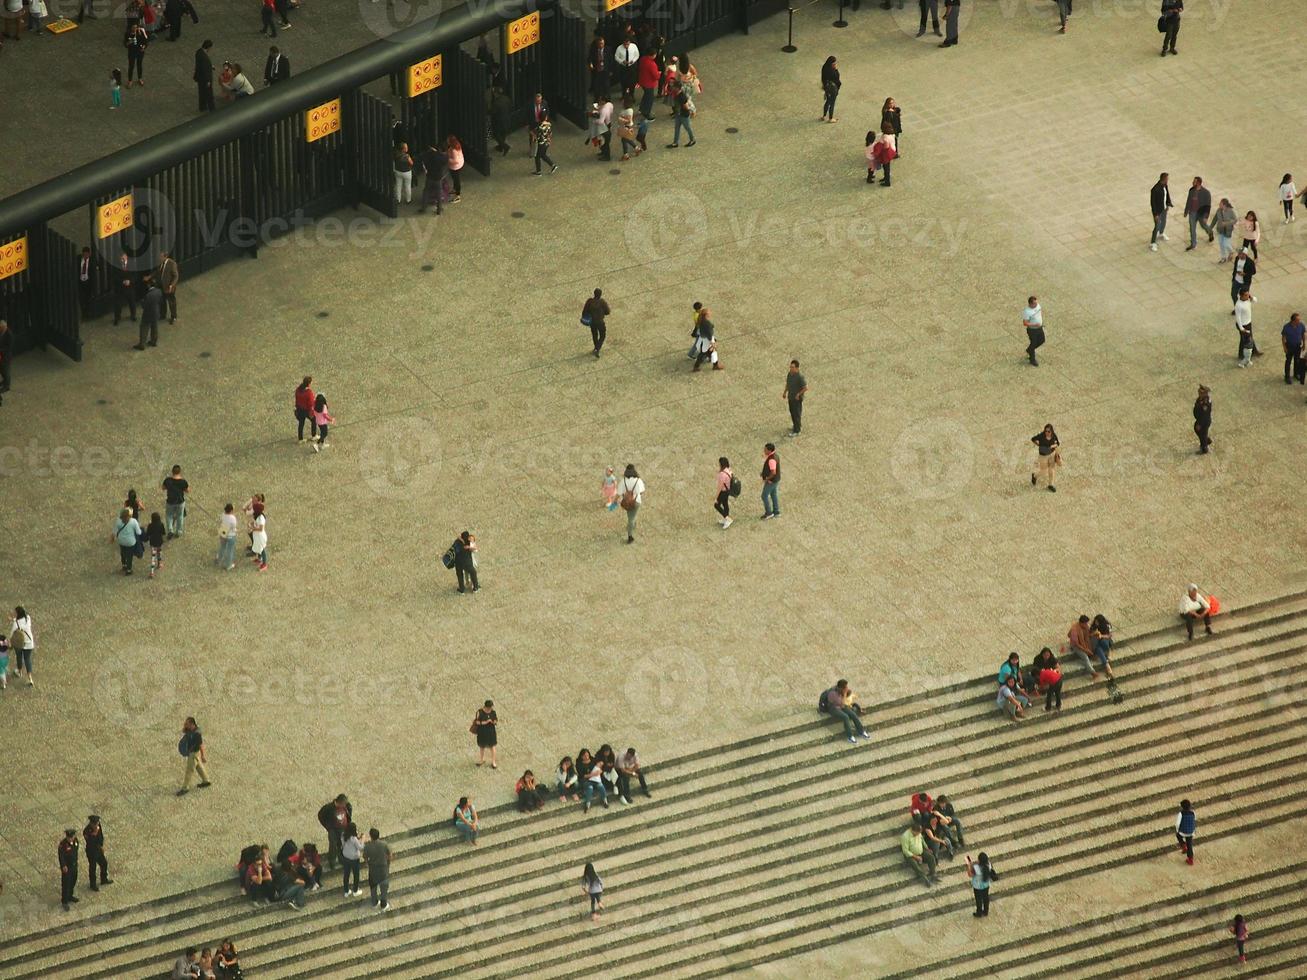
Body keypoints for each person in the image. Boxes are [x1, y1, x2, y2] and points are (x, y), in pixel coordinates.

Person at [827, 679, 871, 744]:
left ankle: (861, 731)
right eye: (846, 687)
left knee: (853, 714)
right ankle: (850, 736)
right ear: (841, 688)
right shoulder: (833, 693)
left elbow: (844, 702)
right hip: (833, 708)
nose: (847, 688)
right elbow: (842, 703)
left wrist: (847, 693)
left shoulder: (842, 690)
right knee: (845, 717)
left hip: (841, 706)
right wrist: (844, 694)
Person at [177, 716, 211, 795]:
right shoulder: (190, 730)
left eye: (187, 724)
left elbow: (201, 745)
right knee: (199, 766)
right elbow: (185, 733)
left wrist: (203, 755)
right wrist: (185, 728)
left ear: (192, 724)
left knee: (189, 770)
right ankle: (206, 780)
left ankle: (185, 788)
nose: (186, 725)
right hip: (192, 753)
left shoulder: (197, 734)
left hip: (193, 753)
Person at [317, 794, 352, 869]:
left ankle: (342, 859)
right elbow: (321, 815)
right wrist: (327, 826)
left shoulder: (346, 806)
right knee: (333, 845)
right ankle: (332, 861)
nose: (344, 805)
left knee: (342, 844)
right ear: (339, 802)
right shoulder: (329, 808)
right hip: (333, 829)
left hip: (342, 828)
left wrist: (348, 824)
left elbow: (349, 813)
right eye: (343, 804)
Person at [363, 827, 392, 908]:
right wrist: (388, 864)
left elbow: (365, 857)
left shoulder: (368, 846)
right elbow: (390, 855)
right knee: (384, 889)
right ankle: (384, 905)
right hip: (383, 870)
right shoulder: (384, 844)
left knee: (373, 888)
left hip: (373, 870)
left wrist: (367, 864)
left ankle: (374, 902)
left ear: (371, 836)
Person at [1183, 177, 1213, 251]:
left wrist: (1206, 217)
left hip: (1201, 214)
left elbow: (1208, 206)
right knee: (1192, 229)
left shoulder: (1206, 193)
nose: (1192, 182)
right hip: (1192, 213)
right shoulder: (1191, 190)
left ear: (1199, 183)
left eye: (1194, 182)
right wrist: (1186, 211)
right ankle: (1193, 244)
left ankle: (1210, 232)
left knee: (1204, 226)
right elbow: (1188, 201)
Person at [135, 274, 163, 350]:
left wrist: (141, 301)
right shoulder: (159, 291)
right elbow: (160, 301)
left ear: (149, 285)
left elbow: (144, 306)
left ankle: (142, 344)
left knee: (144, 328)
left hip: (148, 314)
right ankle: (154, 341)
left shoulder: (148, 295)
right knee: (154, 327)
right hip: (156, 312)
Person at [618, 464, 645, 544]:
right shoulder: (638, 480)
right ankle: (630, 533)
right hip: (636, 501)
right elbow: (642, 491)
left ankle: (631, 532)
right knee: (632, 518)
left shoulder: (623, 481)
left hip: (627, 502)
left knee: (630, 517)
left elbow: (619, 493)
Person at [113, 506, 143, 575]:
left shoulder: (118, 520)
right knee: (129, 556)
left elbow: (115, 531)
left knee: (123, 553)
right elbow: (139, 532)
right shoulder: (133, 521)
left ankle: (124, 565)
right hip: (130, 542)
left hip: (121, 541)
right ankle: (129, 570)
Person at [84, 816, 111, 891]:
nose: (97, 825)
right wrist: (94, 833)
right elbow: (90, 842)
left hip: (98, 849)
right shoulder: (86, 831)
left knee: (104, 863)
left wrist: (101, 845)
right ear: (91, 824)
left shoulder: (99, 826)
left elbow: (101, 836)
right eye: (95, 824)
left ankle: (104, 879)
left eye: (97, 823)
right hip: (91, 851)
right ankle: (93, 884)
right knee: (93, 867)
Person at [1030, 424, 1059, 492]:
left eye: (1049, 431)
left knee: (1051, 470)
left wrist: (1052, 447)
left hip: (1051, 454)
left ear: (1051, 431)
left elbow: (1057, 443)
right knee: (1043, 471)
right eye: (1046, 431)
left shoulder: (1054, 435)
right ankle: (1035, 476)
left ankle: (1050, 485)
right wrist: (1039, 444)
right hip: (1043, 456)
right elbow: (1033, 439)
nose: (1047, 433)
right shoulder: (1041, 436)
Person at [162, 464, 189, 538]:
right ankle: (179, 531)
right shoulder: (183, 481)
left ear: (172, 472)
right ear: (179, 472)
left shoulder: (168, 480)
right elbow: (187, 490)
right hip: (180, 501)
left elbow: (163, 488)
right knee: (180, 516)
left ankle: (170, 530)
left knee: (169, 515)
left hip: (170, 501)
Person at [9, 607, 34, 686]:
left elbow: (12, 634)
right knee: (27, 660)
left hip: (19, 643)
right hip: (29, 643)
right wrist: (13, 620)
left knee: (19, 657)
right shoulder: (28, 618)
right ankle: (30, 678)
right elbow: (22, 624)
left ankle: (19, 672)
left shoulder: (16, 624)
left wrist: (10, 643)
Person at [582, 288, 610, 358]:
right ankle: (597, 348)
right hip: (600, 322)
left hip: (592, 322)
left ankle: (596, 347)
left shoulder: (589, 301)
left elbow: (584, 311)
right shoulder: (602, 302)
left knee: (594, 335)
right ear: (600, 295)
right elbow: (607, 311)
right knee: (602, 335)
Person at [667, 83, 696, 148]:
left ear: (677, 88)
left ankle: (692, 139)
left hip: (683, 115)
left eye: (674, 87)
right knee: (677, 128)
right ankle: (675, 142)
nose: (673, 88)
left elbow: (686, 106)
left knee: (688, 128)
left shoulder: (682, 96)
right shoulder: (677, 94)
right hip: (678, 114)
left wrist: (691, 110)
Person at [1034, 647, 1063, 711]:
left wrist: (1038, 689)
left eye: (1048, 655)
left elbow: (1043, 685)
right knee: (1057, 692)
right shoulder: (1038, 660)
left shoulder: (1042, 674)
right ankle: (1058, 705)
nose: (1046, 656)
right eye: (1045, 655)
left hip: (1054, 681)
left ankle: (1048, 707)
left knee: (1049, 694)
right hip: (1059, 679)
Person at [784, 360, 808, 435]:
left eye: (792, 367)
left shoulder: (800, 377)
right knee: (792, 412)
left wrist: (798, 394)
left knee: (796, 413)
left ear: (797, 368)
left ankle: (797, 431)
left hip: (797, 399)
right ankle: (796, 426)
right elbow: (788, 384)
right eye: (790, 367)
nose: (791, 368)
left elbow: (805, 387)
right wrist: (785, 392)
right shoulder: (789, 374)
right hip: (790, 397)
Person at [1230, 247, 1256, 316]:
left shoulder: (1250, 262)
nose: (1239, 255)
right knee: (1233, 294)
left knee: (1244, 298)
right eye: (1238, 253)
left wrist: (1245, 274)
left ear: (1245, 254)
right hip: (1236, 280)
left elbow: (1253, 272)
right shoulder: (1237, 258)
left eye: (1240, 254)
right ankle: (1237, 308)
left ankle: (1244, 310)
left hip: (1245, 282)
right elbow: (1235, 268)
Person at [112, 252, 136, 325]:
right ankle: (117, 318)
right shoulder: (116, 265)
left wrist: (130, 281)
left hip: (130, 287)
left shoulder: (132, 265)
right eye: (121, 258)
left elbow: (135, 275)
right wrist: (122, 281)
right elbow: (114, 276)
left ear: (126, 257)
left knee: (132, 302)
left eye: (123, 258)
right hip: (120, 287)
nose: (122, 259)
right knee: (118, 304)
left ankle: (133, 315)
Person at [1149, 172, 1172, 251]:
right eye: (1167, 179)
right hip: (1158, 211)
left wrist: (1168, 204)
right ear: (1164, 179)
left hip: (1164, 209)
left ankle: (1161, 233)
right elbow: (1153, 203)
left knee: (1164, 222)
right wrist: (1155, 214)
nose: (1168, 180)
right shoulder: (1155, 189)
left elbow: (1167, 195)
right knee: (1157, 226)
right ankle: (1153, 242)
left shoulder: (1165, 186)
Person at [472, 699, 498, 767]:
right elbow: (477, 722)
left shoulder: (493, 712)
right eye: (490, 707)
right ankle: (482, 759)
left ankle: (493, 762)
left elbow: (495, 720)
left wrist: (493, 722)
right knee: (482, 746)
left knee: (492, 746)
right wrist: (485, 722)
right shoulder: (479, 712)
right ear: (486, 707)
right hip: (482, 731)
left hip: (491, 731)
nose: (491, 708)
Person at [59, 829, 80, 911]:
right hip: (67, 868)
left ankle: (70, 896)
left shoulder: (76, 841)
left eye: (72, 837)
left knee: (73, 881)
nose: (70, 838)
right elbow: (61, 856)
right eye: (69, 837)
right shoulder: (63, 844)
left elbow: (75, 851)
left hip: (74, 865)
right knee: (66, 884)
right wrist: (63, 865)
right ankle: (64, 901)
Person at [713, 457, 736, 529]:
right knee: (725, 504)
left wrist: (716, 497)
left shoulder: (722, 474)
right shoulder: (728, 470)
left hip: (723, 492)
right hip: (727, 491)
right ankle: (726, 519)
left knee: (716, 505)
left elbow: (720, 487)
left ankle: (727, 519)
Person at [1090, 614, 1115, 679]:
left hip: (1106, 641)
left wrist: (1102, 636)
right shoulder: (1094, 625)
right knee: (1098, 648)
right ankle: (1107, 666)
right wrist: (1094, 633)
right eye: (1095, 621)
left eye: (1097, 622)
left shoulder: (1107, 625)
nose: (1096, 623)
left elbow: (1110, 635)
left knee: (1103, 642)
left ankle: (1107, 652)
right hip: (1097, 642)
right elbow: (1090, 634)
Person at [1212, 199, 1237, 263]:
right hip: (1220, 230)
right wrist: (1210, 227)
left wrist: (1226, 223)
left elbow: (1235, 220)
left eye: (1220, 204)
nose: (1219, 205)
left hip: (1228, 230)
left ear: (1224, 205)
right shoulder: (1218, 210)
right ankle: (1223, 257)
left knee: (1226, 244)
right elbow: (1215, 219)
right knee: (1221, 244)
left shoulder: (1230, 211)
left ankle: (1231, 251)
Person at [1283, 313, 1306, 385]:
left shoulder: (1301, 325)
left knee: (1297, 361)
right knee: (1288, 361)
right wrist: (1284, 347)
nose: (1299, 321)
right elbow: (1283, 337)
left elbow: (1303, 334)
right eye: (1297, 320)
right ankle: (1287, 377)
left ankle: (1296, 374)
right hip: (1289, 347)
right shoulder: (1286, 327)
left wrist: (1304, 344)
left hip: (1297, 346)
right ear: (1293, 321)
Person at [125, 22, 149, 87]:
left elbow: (146, 41)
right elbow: (125, 44)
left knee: (139, 65)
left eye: (136, 27)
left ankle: (140, 78)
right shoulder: (128, 34)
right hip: (132, 52)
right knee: (131, 66)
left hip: (140, 52)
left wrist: (144, 47)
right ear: (131, 28)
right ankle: (130, 80)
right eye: (134, 28)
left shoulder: (141, 32)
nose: (135, 29)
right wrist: (129, 42)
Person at [760, 443, 780, 519]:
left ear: (769, 450)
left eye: (765, 449)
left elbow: (773, 472)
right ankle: (776, 511)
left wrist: (767, 478)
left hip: (771, 481)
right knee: (773, 495)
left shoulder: (771, 459)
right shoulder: (775, 456)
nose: (764, 451)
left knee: (764, 496)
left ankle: (769, 513)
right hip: (776, 480)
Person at [1022, 296, 1044, 366]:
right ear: (1030, 304)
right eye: (1034, 303)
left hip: (1039, 327)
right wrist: (1034, 324)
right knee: (1033, 343)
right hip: (1032, 330)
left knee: (1042, 340)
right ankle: (1032, 359)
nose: (1036, 304)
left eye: (1036, 302)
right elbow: (1025, 323)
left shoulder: (1037, 306)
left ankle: (1030, 350)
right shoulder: (1027, 311)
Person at [194, 39, 215, 112]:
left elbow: (200, 66)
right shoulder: (205, 58)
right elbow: (205, 70)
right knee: (209, 94)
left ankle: (202, 107)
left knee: (201, 92)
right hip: (205, 79)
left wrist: (210, 66)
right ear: (208, 47)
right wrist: (208, 81)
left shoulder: (198, 52)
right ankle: (212, 108)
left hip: (199, 77)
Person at [158, 251, 179, 324]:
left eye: (161, 257)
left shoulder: (172, 264)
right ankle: (162, 314)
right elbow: (159, 271)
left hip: (169, 288)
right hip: (162, 286)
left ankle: (174, 317)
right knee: (162, 301)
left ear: (165, 256)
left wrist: (171, 285)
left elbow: (176, 276)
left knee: (171, 303)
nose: (159, 258)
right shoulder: (161, 263)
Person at [1234, 290, 1254, 368]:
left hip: (1248, 323)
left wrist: (1251, 297)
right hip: (1244, 325)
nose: (1247, 296)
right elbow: (1238, 317)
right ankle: (1244, 359)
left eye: (1248, 294)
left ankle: (1245, 356)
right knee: (1247, 341)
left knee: (1246, 340)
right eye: (1246, 295)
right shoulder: (1238, 305)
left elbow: (1255, 300)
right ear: (1241, 296)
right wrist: (1241, 328)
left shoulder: (1248, 300)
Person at [294, 376, 316, 442]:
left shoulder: (298, 389)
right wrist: (312, 412)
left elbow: (297, 399)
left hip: (299, 409)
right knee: (314, 420)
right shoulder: (309, 392)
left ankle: (300, 439)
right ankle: (313, 435)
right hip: (306, 410)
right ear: (309, 384)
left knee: (301, 423)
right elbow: (311, 403)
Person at [144, 512, 166, 578]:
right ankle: (159, 564)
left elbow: (148, 534)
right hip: (159, 542)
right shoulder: (161, 524)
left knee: (153, 557)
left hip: (153, 542)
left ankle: (152, 572)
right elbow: (163, 532)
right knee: (159, 553)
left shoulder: (150, 525)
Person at [1193, 385, 1212, 454]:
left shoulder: (1205, 403)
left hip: (1204, 422)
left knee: (1201, 433)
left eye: (1201, 392)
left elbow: (1204, 415)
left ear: (1205, 393)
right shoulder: (1201, 398)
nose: (1199, 393)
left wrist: (1200, 424)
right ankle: (1206, 440)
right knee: (1200, 432)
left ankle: (1204, 448)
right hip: (1200, 420)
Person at [1175, 799, 1196, 864]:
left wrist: (1177, 830)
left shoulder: (1181, 813)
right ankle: (1190, 859)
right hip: (1191, 831)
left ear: (1182, 807)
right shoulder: (1193, 813)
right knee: (1189, 845)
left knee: (1178, 835)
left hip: (1183, 831)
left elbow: (1177, 824)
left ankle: (1183, 845)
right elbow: (1194, 820)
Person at [820, 56, 840, 123]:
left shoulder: (824, 67)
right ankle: (831, 118)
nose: (835, 65)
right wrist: (836, 69)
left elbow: (823, 78)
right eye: (834, 64)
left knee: (828, 101)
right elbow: (837, 78)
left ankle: (824, 116)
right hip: (833, 89)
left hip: (827, 88)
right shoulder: (832, 71)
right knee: (832, 103)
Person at [250, 501, 268, 571]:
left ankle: (264, 564)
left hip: (260, 536)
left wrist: (252, 528)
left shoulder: (261, 518)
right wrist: (252, 524)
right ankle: (259, 559)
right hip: (257, 536)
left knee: (262, 549)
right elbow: (256, 523)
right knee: (258, 547)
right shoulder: (257, 516)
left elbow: (261, 529)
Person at [446, 136, 465, 202]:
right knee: (455, 179)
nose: (447, 142)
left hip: (455, 167)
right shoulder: (457, 145)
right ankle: (455, 189)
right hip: (460, 164)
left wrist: (448, 159)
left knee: (456, 180)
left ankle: (458, 196)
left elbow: (455, 161)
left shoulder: (453, 150)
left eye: (448, 141)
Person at [0, 319, 11, 395]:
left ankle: (7, 386)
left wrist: (1, 350)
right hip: (1, 355)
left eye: (0, 327)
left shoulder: (9, 335)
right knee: (2, 369)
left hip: (6, 356)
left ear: (4, 327)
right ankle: (4, 381)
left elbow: (9, 347)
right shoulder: (1, 332)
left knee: (6, 370)